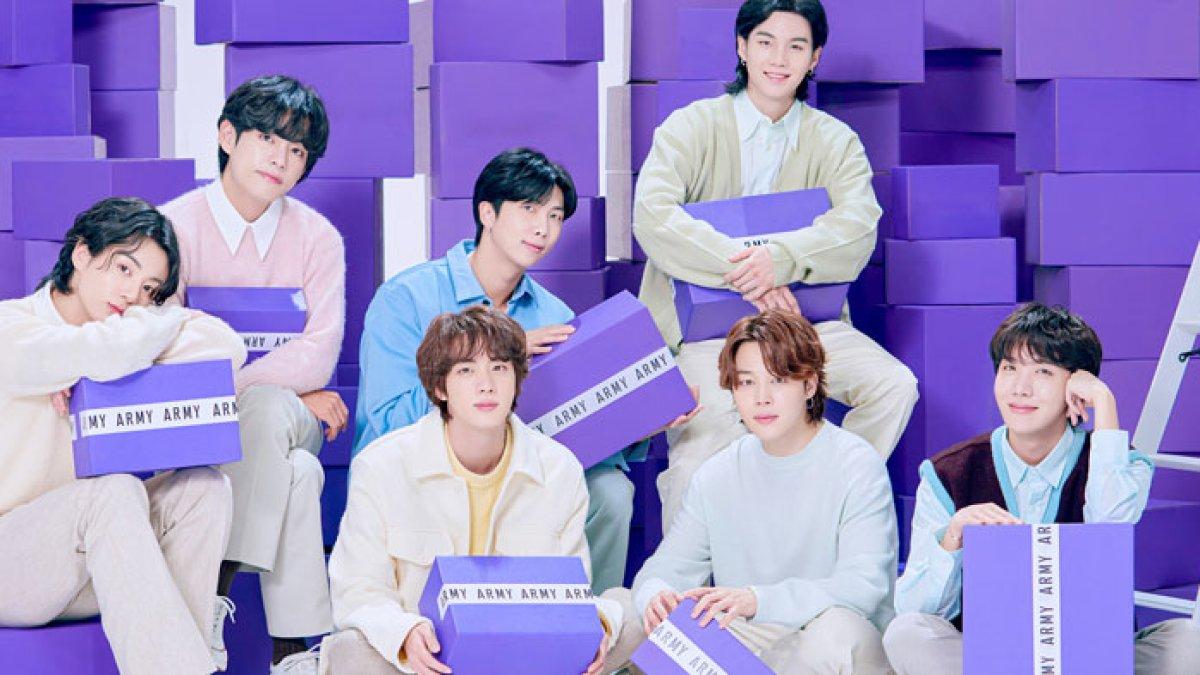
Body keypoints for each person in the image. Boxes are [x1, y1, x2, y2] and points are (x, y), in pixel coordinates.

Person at [355, 147, 695, 595]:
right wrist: (501, 353)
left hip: (519, 475)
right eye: (529, 209)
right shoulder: (406, 298)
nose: (543, 228)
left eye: (555, 216)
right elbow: (387, 421)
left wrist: (641, 424)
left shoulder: (557, 317)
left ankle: (587, 627)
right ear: (487, 213)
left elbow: (578, 438)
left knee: (611, 492)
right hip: (427, 468)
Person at [632, 0, 918, 532]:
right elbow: (653, 217)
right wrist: (750, 272)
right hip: (706, 335)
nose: (779, 58)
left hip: (806, 325)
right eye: (765, 42)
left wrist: (782, 261)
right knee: (699, 458)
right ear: (742, 47)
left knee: (893, 386)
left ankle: (815, 508)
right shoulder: (690, 127)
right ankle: (686, 577)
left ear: (815, 58)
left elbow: (859, 227)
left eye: (796, 46)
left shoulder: (835, 141)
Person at [884, 303, 1200, 675]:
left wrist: (1104, 400)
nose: (1020, 388)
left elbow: (1109, 526)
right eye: (1009, 368)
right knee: (906, 633)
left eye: (1043, 371)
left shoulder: (1118, 463)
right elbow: (916, 608)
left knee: (1188, 642)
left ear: (1076, 384)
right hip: (989, 658)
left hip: (1091, 656)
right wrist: (953, 537)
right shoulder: (948, 473)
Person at [0, 197, 245, 675]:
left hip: (97, 559)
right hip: (13, 565)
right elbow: (91, 352)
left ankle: (189, 656)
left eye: (150, 289)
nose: (133, 294)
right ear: (81, 253)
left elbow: (227, 347)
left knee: (203, 486)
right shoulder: (12, 326)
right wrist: (99, 357)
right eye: (123, 269)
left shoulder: (122, 338)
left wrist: (150, 325)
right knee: (112, 491)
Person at [321, 306, 622, 674]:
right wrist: (405, 632)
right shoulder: (381, 466)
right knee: (349, 650)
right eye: (466, 370)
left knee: (628, 614)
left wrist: (593, 627)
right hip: (422, 662)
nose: (486, 384)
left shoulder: (559, 469)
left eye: (499, 368)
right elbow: (357, 589)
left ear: (517, 379)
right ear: (439, 387)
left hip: (519, 657)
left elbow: (569, 594)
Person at [161, 74, 343, 674]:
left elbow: (319, 353)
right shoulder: (173, 227)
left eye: (297, 150)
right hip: (196, 422)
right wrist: (273, 385)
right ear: (227, 136)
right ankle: (293, 653)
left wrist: (241, 387)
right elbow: (168, 343)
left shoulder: (318, 238)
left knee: (264, 410)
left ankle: (211, 591)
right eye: (267, 138)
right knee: (300, 476)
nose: (280, 159)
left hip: (286, 415)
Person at [606, 310, 895, 673]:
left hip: (830, 639)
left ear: (809, 385)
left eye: (778, 380)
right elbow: (666, 567)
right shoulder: (717, 472)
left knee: (836, 630)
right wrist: (656, 597)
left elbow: (863, 588)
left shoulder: (856, 464)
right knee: (621, 607)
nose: (761, 398)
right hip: (748, 639)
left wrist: (757, 600)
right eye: (746, 382)